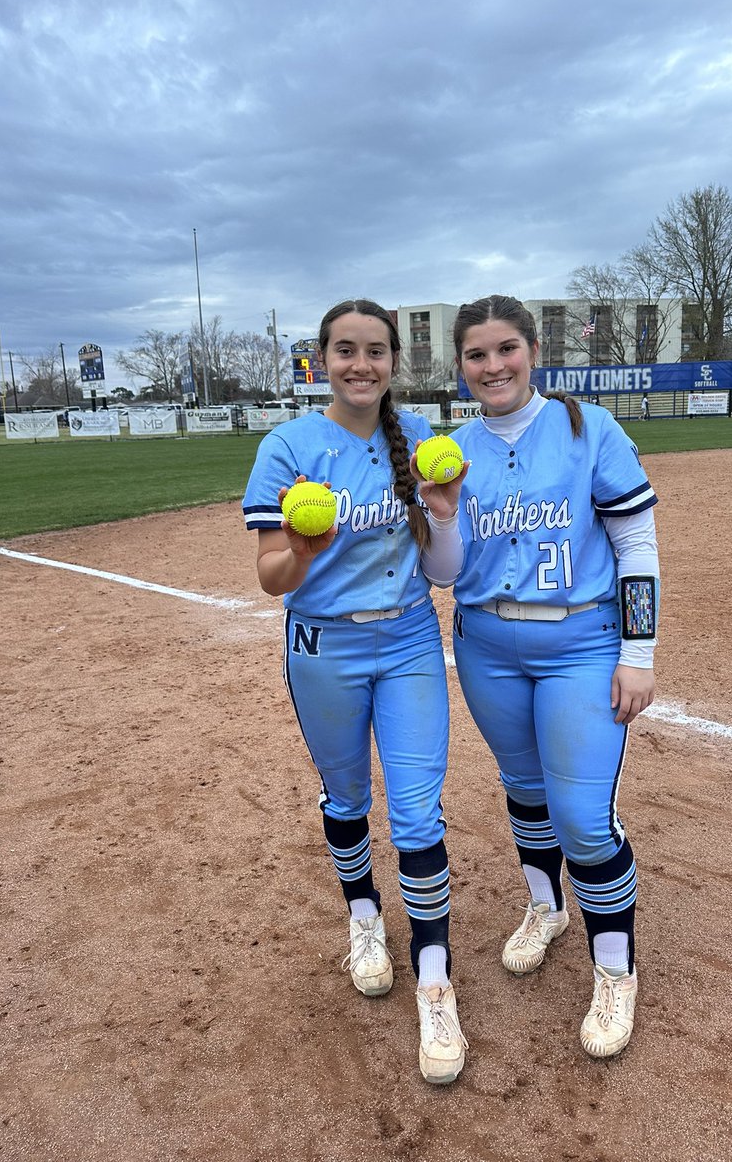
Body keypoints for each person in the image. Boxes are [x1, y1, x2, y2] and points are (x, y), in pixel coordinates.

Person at [242, 299, 469, 1084]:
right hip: (322, 646)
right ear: (320, 360)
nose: (360, 364)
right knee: (345, 798)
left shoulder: (421, 448)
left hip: (408, 639)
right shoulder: (289, 446)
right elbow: (273, 580)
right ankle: (365, 918)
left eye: (376, 352)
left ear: (394, 363)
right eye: (345, 350)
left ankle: (434, 979)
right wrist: (303, 550)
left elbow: (444, 571)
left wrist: (441, 515)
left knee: (415, 808)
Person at [448, 295, 660, 1060]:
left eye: (506, 348)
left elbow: (635, 542)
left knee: (581, 816)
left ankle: (616, 968)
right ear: (461, 364)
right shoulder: (453, 450)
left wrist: (638, 653)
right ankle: (546, 908)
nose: (494, 365)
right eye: (477, 354)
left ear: (532, 351)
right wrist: (436, 513)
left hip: (580, 645)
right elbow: (445, 568)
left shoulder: (587, 427)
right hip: (484, 645)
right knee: (525, 791)